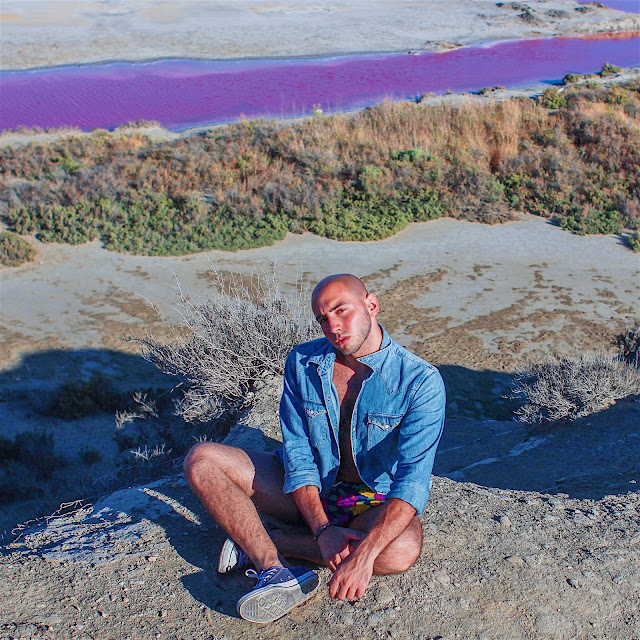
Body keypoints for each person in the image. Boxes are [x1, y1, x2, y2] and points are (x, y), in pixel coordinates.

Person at [184, 274, 446, 623]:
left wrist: (364, 557)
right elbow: (298, 453)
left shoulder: (420, 381)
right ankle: (273, 568)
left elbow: (412, 482)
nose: (333, 326)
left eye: (342, 311)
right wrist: (322, 529)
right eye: (323, 318)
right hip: (310, 490)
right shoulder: (303, 362)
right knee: (202, 460)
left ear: (371, 305)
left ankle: (274, 541)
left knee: (401, 550)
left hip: (371, 500)